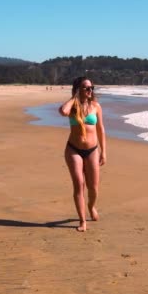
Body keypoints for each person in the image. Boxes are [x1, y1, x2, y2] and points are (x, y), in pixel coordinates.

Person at [58, 76, 107, 232]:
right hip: (73, 149)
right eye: (86, 88)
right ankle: (82, 220)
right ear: (78, 89)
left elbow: (101, 129)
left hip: (92, 150)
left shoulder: (96, 106)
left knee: (93, 188)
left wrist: (104, 152)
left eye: (91, 88)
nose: (89, 91)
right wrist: (74, 98)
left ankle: (91, 206)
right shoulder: (72, 106)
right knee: (79, 185)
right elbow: (62, 111)